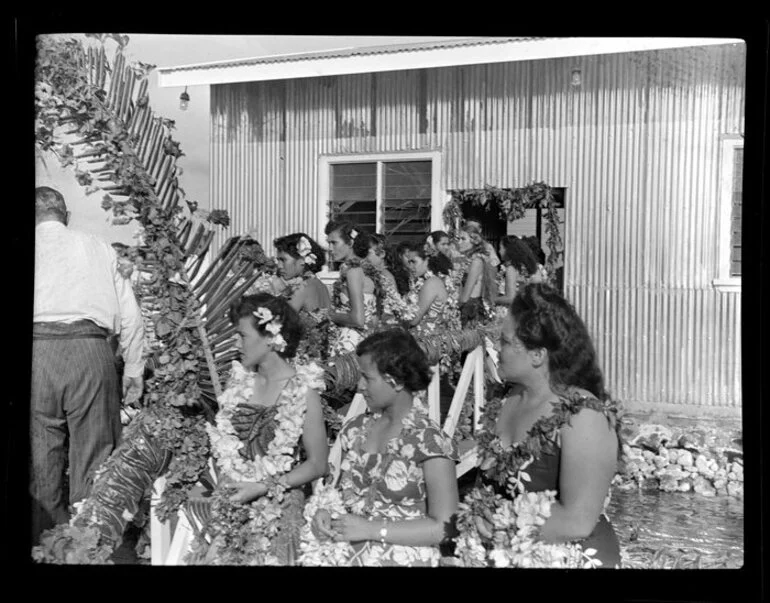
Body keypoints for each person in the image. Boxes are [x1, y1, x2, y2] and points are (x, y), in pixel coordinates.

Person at [457, 283, 621, 567]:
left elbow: (579, 520)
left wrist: (500, 527)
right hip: (500, 551)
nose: (497, 348)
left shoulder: (583, 415)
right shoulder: (505, 398)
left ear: (537, 354)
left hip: (565, 556)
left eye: (506, 342)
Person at [31, 186, 145, 543]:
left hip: (37, 353)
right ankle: (88, 547)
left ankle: (44, 542)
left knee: (39, 462)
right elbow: (131, 316)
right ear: (66, 216)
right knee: (95, 458)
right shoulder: (98, 246)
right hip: (90, 351)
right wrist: (134, 371)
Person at [306, 329, 459, 566]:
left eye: (368, 378)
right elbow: (336, 492)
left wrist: (372, 530)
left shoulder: (431, 442)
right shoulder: (355, 429)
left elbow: (444, 527)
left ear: (396, 381)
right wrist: (325, 513)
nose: (359, 386)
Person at [197, 293, 329, 565]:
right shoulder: (237, 384)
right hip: (233, 502)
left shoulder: (303, 391)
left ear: (271, 337)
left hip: (278, 507)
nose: (236, 343)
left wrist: (262, 486)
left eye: (242, 336)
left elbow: (318, 464)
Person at [272, 233, 331, 363]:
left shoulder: (301, 288)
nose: (279, 266)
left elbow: (276, 325)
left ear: (302, 260)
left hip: (301, 361)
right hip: (319, 359)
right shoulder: (320, 285)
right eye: (278, 260)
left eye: (283, 260)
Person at [325, 220, 378, 357]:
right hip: (364, 341)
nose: (330, 249)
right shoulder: (361, 268)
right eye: (328, 243)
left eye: (334, 243)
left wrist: (329, 314)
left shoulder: (353, 271)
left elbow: (358, 319)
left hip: (351, 344)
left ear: (350, 243)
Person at [403, 242, 454, 337]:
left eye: (413, 262)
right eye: (409, 262)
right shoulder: (425, 280)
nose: (410, 267)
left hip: (430, 341)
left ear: (426, 261)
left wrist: (396, 310)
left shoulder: (432, 282)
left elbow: (414, 319)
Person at [454, 222, 497, 328]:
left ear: (474, 241)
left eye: (463, 239)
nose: (459, 242)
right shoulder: (467, 260)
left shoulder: (476, 261)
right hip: (465, 305)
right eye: (458, 239)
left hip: (470, 309)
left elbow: (465, 297)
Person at [492, 236, 543, 320]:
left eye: (501, 248)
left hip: (511, 315)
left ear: (508, 250)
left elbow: (510, 298)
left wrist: (492, 300)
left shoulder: (511, 269)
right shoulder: (534, 268)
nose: (499, 251)